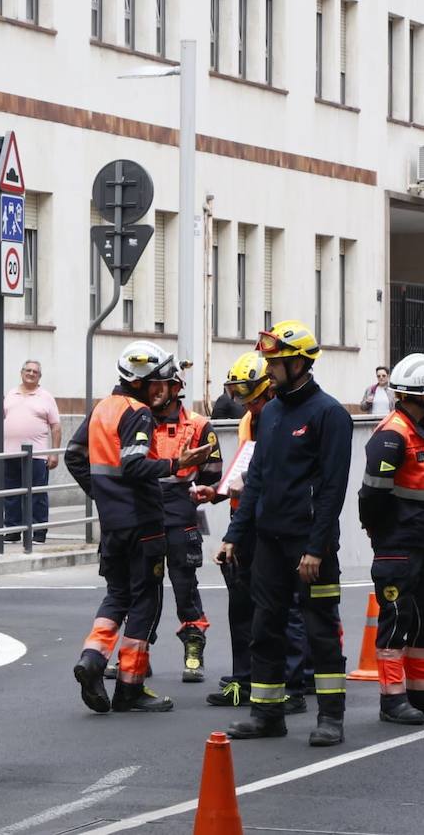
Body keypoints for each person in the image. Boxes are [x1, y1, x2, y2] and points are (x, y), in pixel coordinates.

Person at [224, 320, 352, 747]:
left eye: (276, 361)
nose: (270, 368)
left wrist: (316, 548)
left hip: (308, 546)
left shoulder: (329, 414)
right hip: (269, 544)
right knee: (266, 627)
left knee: (319, 630)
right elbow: (255, 479)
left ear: (300, 363)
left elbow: (333, 489)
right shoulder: (273, 411)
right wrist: (233, 534)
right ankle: (266, 715)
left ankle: (330, 718)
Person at [67, 340, 212, 714]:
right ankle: (130, 687)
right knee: (145, 600)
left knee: (117, 595)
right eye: (158, 382)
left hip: (113, 523)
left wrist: (102, 494)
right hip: (143, 523)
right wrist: (174, 465)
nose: (162, 390)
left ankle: (93, 659)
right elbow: (133, 465)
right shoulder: (139, 413)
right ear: (143, 382)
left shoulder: (102, 408)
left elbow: (74, 456)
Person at [200, 353, 313, 713]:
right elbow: (247, 470)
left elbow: (270, 478)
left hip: (275, 526)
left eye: (248, 392)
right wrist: (218, 494)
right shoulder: (256, 419)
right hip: (249, 521)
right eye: (237, 393)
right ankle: (249, 678)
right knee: (246, 605)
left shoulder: (280, 418)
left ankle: (291, 683)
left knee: (284, 607)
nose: (243, 401)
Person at [357, 352, 424, 725]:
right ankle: (392, 699)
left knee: (419, 620)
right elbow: (372, 497)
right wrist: (381, 537)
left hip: (417, 542)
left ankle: (417, 691)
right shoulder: (392, 436)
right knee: (397, 619)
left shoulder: (418, 430)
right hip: (397, 545)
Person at [149, 361, 222, 682]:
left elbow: (213, 473)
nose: (153, 391)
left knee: (184, 584)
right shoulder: (136, 419)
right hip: (144, 508)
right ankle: (135, 653)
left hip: (181, 508)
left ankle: (193, 647)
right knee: (142, 585)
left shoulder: (199, 425)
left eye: (159, 385)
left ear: (175, 388)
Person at [2, 359, 61, 543]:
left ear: (39, 376)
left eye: (35, 372)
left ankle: (39, 531)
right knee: (11, 493)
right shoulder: (11, 393)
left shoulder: (46, 397)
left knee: (37, 494)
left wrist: (54, 453)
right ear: (21, 373)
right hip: (10, 453)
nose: (31, 374)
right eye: (28, 370)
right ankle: (12, 531)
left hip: (37, 455)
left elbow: (56, 427)